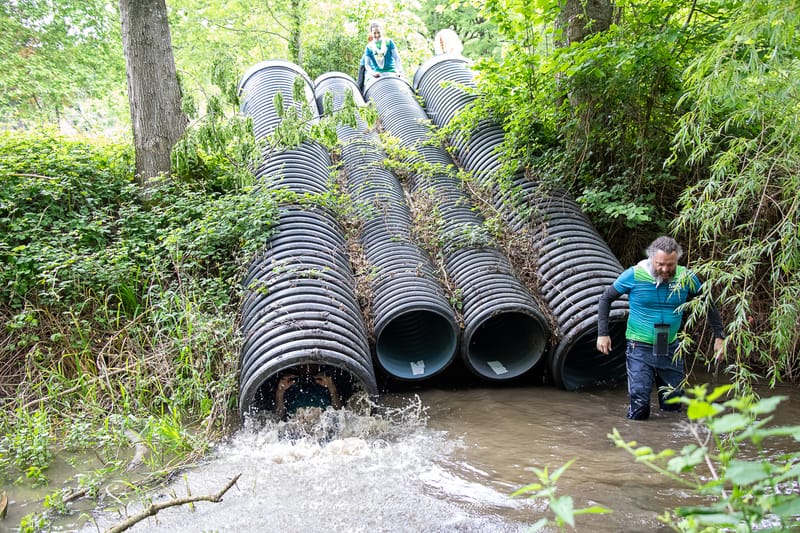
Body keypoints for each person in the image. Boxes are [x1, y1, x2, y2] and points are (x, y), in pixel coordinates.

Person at [596, 236, 725, 420]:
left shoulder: (686, 278)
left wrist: (719, 336)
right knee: (640, 408)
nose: (665, 269)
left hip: (671, 347)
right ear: (651, 259)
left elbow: (708, 304)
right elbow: (605, 299)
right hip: (639, 347)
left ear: (677, 261)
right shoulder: (634, 275)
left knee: (673, 407)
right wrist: (603, 334)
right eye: (660, 264)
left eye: (670, 265)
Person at [274, 365, 342, 420]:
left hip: (321, 430)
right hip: (296, 429)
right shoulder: (289, 384)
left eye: (312, 364)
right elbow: (278, 418)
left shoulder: (326, 383)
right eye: (304, 365)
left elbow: (339, 415)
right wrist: (280, 392)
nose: (308, 368)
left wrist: (332, 388)